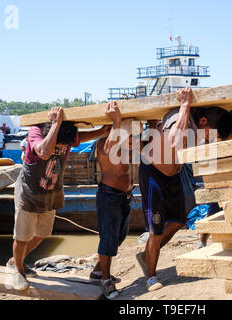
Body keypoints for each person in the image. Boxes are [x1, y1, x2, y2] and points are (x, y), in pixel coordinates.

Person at [136, 88, 232, 292]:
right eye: (211, 134)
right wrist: (185, 105)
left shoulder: (198, 126)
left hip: (173, 175)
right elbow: (173, 142)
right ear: (203, 122)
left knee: (179, 221)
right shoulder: (180, 117)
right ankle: (151, 277)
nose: (210, 138)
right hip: (153, 173)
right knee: (156, 229)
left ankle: (146, 256)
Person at [5, 107, 110, 291]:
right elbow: (44, 152)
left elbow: (79, 139)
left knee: (42, 234)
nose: (65, 145)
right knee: (22, 236)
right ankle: (18, 272)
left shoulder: (66, 133)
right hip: (29, 192)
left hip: (50, 192)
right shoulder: (36, 131)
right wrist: (56, 124)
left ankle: (15, 261)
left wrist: (100, 131)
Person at [88, 101, 136, 300]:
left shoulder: (127, 144)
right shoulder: (103, 144)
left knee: (119, 236)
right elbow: (108, 150)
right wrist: (116, 121)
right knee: (108, 239)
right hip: (109, 196)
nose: (132, 139)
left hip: (124, 197)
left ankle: (98, 271)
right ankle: (106, 280)